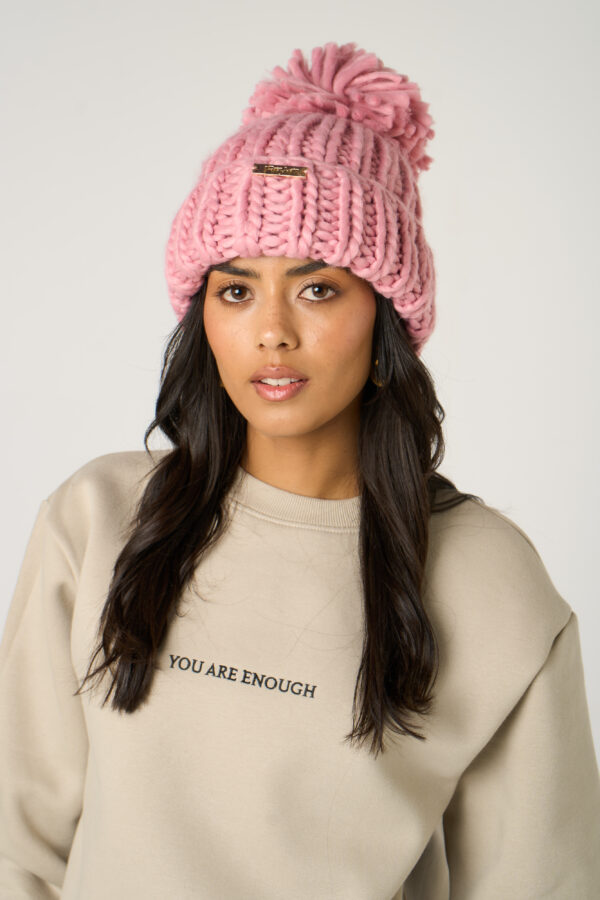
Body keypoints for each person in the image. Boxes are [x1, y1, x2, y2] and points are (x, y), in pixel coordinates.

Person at [0, 41, 598, 900]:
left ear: (385, 318)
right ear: (203, 316)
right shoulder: (98, 519)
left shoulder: (490, 580)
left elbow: (541, 883)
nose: (272, 331)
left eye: (317, 289)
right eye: (236, 290)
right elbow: (17, 846)